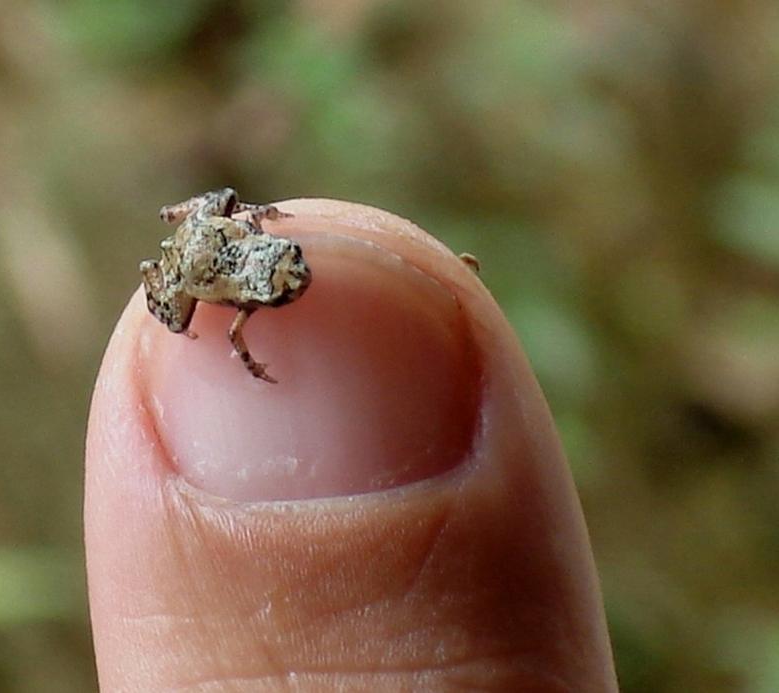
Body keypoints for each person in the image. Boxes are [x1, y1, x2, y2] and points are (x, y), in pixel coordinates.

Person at [85, 199, 618, 691]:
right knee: (175, 318)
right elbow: (234, 340)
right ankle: (167, 265)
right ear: (256, 299)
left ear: (268, 242)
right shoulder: (242, 308)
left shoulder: (253, 246)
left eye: (290, 259)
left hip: (218, 237)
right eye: (281, 291)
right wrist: (251, 365)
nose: (298, 279)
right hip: (197, 262)